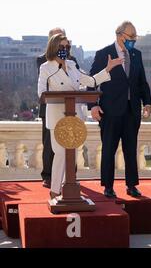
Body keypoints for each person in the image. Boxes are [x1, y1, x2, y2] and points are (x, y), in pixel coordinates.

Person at [38, 33, 123, 198]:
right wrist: (57, 74)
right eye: (61, 47)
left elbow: (90, 81)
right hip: (57, 118)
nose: (65, 50)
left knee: (72, 154)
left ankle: (67, 190)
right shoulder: (46, 68)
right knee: (61, 153)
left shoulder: (71, 65)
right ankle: (55, 190)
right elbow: (41, 93)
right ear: (54, 47)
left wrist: (107, 69)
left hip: (74, 117)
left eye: (67, 47)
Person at [89, 21, 151, 198]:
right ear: (119, 35)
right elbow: (92, 81)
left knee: (131, 150)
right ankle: (108, 186)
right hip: (109, 111)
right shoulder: (103, 54)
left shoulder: (136, 54)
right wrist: (93, 105)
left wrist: (147, 102)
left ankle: (132, 185)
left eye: (135, 37)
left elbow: (142, 82)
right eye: (131, 37)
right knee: (109, 149)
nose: (134, 40)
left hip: (132, 111)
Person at [36, 27, 73, 188]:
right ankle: (48, 175)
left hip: (70, 111)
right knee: (49, 144)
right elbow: (43, 89)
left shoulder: (71, 62)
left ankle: (69, 176)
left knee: (69, 145)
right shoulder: (43, 62)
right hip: (49, 108)